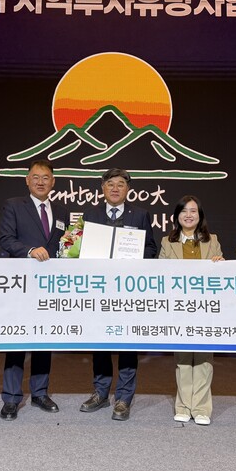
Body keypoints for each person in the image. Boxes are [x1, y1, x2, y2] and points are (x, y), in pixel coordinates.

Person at [79, 168, 157, 421]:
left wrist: (134, 259)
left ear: (128, 189)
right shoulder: (90, 215)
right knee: (100, 341)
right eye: (110, 184)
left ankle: (124, 397)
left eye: (120, 184)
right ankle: (100, 392)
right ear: (102, 188)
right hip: (99, 289)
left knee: (127, 343)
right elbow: (80, 248)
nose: (115, 188)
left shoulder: (141, 214)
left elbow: (151, 248)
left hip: (128, 290)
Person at [0, 159, 70, 420]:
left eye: (46, 177)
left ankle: (40, 393)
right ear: (27, 180)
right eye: (36, 177)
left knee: (43, 339)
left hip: (50, 285)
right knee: (17, 340)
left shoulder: (61, 211)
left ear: (53, 182)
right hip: (22, 282)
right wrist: (29, 251)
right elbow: (6, 239)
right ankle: (11, 398)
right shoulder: (14, 205)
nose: (41, 182)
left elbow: (65, 244)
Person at [158, 195, 224, 426]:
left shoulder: (212, 240)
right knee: (183, 359)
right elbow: (161, 272)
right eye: (184, 211)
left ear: (200, 215)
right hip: (180, 308)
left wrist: (220, 263)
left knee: (204, 359)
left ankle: (202, 408)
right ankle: (184, 406)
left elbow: (222, 273)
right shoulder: (167, 242)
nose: (188, 215)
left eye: (193, 211)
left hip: (205, 308)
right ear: (177, 216)